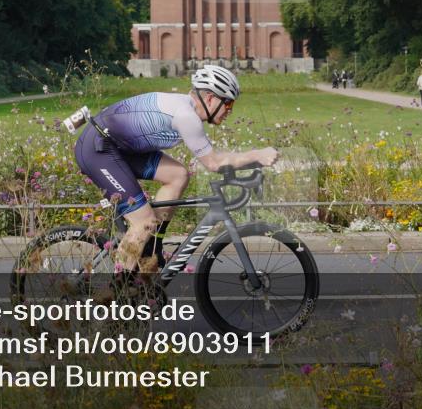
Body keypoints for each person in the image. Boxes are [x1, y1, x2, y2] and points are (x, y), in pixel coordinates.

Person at [74, 66, 279, 273]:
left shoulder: (186, 108)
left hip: (119, 147)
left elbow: (215, 159)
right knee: (143, 221)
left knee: (178, 175)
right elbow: (213, 163)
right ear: (210, 98)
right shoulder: (186, 116)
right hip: (97, 149)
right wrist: (256, 154)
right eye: (228, 103)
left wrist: (253, 160)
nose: (230, 110)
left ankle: (151, 247)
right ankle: (120, 287)